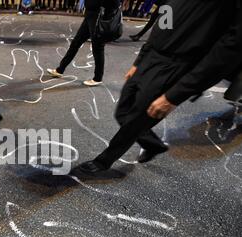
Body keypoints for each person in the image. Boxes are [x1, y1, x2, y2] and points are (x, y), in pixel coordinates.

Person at [76, 0, 242, 176]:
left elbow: (230, 48)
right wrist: (140, 60)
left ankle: (103, 161)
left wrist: (176, 95)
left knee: (137, 116)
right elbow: (162, 23)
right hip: (153, 56)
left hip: (179, 64)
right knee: (123, 111)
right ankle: (152, 144)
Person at [47, 0, 120, 87]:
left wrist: (104, 12)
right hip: (90, 15)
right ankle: (60, 70)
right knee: (76, 43)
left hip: (98, 16)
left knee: (98, 47)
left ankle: (98, 78)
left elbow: (115, 3)